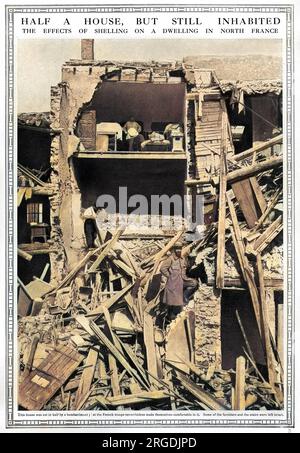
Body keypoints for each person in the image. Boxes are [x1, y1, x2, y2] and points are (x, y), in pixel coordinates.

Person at [160, 242, 198, 321]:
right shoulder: (170, 259)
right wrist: (170, 276)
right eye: (177, 249)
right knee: (172, 301)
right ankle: (170, 316)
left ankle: (184, 298)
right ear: (174, 250)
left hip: (183, 280)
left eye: (180, 249)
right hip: (174, 282)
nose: (179, 250)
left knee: (194, 283)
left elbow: (186, 267)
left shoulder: (182, 259)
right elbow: (163, 268)